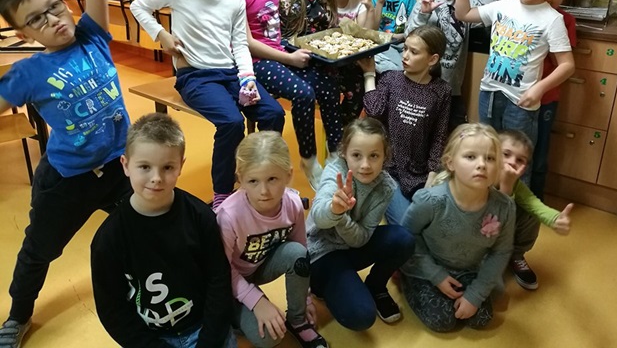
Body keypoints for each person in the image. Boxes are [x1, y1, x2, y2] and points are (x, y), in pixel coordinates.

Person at [0, 0, 132, 347]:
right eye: (37, 19)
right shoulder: (28, 72)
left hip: (121, 167)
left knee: (145, 225)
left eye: (54, 7)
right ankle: (18, 315)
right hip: (67, 179)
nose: (54, 19)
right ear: (23, 34)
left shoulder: (92, 35)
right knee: (40, 250)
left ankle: (149, 287)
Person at [130, 0, 285, 210]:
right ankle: (222, 193)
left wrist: (247, 78)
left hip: (231, 73)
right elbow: (138, 6)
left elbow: (240, 43)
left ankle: (261, 176)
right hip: (196, 76)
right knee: (231, 122)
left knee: (273, 113)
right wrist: (161, 35)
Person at [91, 113, 235, 347]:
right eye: (144, 167)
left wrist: (209, 340)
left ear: (180, 166)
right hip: (150, 338)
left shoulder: (200, 217)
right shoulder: (109, 239)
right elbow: (112, 310)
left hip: (202, 328)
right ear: (125, 165)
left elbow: (218, 280)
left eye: (167, 167)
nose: (156, 178)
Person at [223, 0, 342, 189]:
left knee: (327, 85)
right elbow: (246, 42)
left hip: (279, 54)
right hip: (255, 60)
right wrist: (289, 58)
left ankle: (336, 153)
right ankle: (308, 158)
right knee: (303, 93)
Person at [454, 0, 575, 185]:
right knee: (487, 155)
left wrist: (539, 89)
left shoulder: (552, 19)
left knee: (517, 166)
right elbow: (463, 13)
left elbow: (567, 65)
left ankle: (511, 207)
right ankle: (489, 203)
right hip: (489, 94)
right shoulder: (504, 5)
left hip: (521, 103)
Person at [216, 131, 327, 348]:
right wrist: (256, 301)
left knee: (297, 254)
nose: (264, 191)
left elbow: (301, 252)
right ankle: (232, 315)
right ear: (240, 179)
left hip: (259, 266)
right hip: (228, 279)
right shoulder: (228, 216)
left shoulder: (293, 204)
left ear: (288, 175)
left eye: (272, 179)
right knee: (269, 337)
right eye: (253, 181)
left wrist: (304, 299)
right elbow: (221, 271)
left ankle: (297, 321)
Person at [401, 123, 516, 333]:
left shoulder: (504, 207)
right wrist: (435, 275)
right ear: (450, 162)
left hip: (469, 269)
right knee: (442, 320)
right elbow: (405, 237)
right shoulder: (431, 201)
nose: (481, 165)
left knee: (481, 318)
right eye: (470, 157)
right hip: (428, 265)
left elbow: (501, 252)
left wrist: (475, 295)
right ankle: (407, 281)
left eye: (490, 158)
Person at [306, 118, 415, 331]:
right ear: (344, 154)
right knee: (361, 316)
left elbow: (361, 238)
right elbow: (319, 217)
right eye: (356, 155)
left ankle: (375, 286)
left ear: (385, 156)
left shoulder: (385, 186)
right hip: (322, 254)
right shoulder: (335, 171)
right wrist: (334, 209)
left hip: (352, 246)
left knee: (404, 239)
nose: (365, 165)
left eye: (374, 156)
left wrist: (342, 218)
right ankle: (322, 286)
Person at [358, 26, 451, 225]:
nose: (405, 55)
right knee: (406, 226)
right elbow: (374, 109)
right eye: (405, 48)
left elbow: (439, 136)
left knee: (432, 223)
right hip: (388, 172)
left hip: (420, 174)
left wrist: (432, 176)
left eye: (414, 52)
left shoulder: (441, 90)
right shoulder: (391, 78)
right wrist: (369, 74)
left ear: (432, 59)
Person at [406, 0, 497, 132]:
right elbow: (410, 38)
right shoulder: (425, 0)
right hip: (422, 82)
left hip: (452, 86)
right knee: (421, 129)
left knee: (455, 131)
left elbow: (490, 17)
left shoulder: (468, 2)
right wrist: (423, 14)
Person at [279, 0, 362, 124]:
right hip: (298, 61)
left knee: (357, 78)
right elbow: (286, 41)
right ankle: (329, 133)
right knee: (327, 88)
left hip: (324, 58)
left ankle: (342, 130)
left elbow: (327, 30)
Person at [498, 129, 573, 291]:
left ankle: (515, 255)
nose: (512, 162)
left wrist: (555, 219)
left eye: (520, 160)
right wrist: (505, 186)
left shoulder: (516, 184)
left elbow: (534, 204)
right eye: (506, 154)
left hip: (498, 231)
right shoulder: (478, 175)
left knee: (529, 213)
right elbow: (492, 216)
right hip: (475, 235)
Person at [530, 0, 578, 200]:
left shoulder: (564, 21)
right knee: (518, 148)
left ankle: (536, 202)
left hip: (547, 97)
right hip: (522, 93)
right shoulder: (528, 12)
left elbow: (561, 58)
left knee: (539, 152)